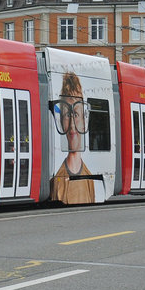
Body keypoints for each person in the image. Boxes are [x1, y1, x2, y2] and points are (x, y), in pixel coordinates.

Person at [50, 70, 96, 204]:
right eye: (66, 115)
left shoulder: (90, 178)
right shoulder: (57, 180)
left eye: (75, 114)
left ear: (84, 120)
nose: (71, 126)